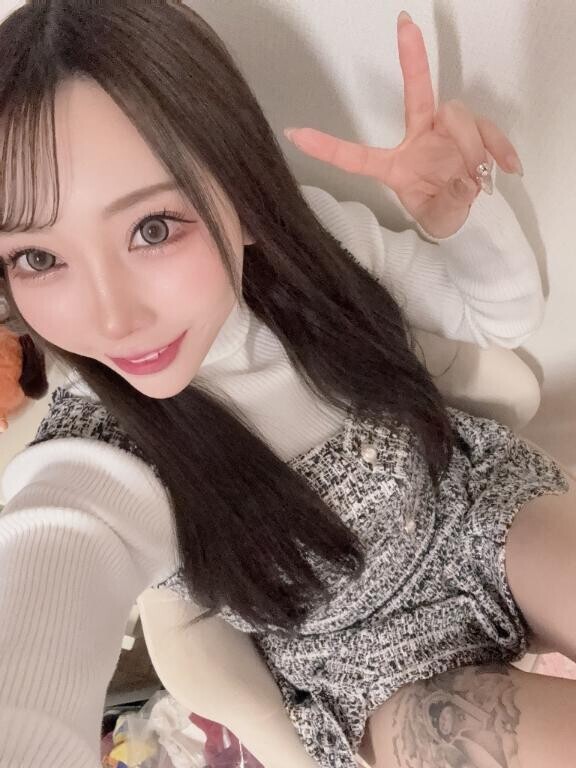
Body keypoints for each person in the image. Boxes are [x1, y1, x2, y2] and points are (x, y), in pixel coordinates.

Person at [0, 2, 575, 767]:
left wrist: (459, 217)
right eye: (38, 258)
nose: (113, 319)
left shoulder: (314, 251)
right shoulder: (102, 445)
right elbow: (53, 560)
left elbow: (494, 317)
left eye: (152, 228)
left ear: (242, 198)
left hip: (478, 510)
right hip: (365, 667)